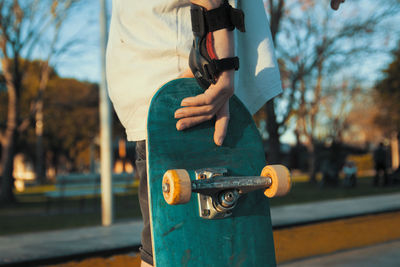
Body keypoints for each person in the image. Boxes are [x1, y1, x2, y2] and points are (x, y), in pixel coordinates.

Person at [106, 0, 345, 266]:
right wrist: (219, 63)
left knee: (173, 251)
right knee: (186, 252)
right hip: (191, 88)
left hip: (172, 79)